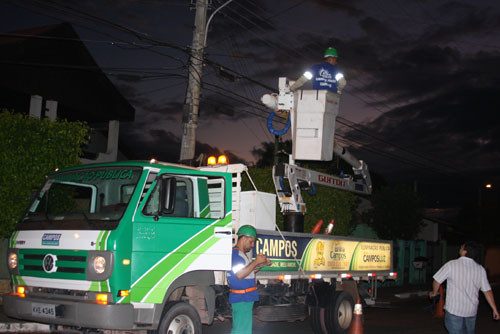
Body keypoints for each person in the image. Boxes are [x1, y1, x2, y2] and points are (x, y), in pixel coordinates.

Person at [429, 241, 499, 334]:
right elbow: (487, 290)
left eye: (462, 247)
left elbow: (437, 280)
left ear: (465, 252)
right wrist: (494, 309)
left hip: (454, 310)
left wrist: (434, 293)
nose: (460, 249)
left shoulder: (451, 265)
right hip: (471, 311)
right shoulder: (480, 269)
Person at [227, 225, 271, 334]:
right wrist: (256, 262)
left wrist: (261, 264)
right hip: (242, 298)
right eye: (251, 242)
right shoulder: (236, 255)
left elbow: (249, 272)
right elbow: (240, 275)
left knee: (243, 328)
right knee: (241, 330)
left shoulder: (241, 255)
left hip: (245, 298)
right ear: (244, 238)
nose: (252, 245)